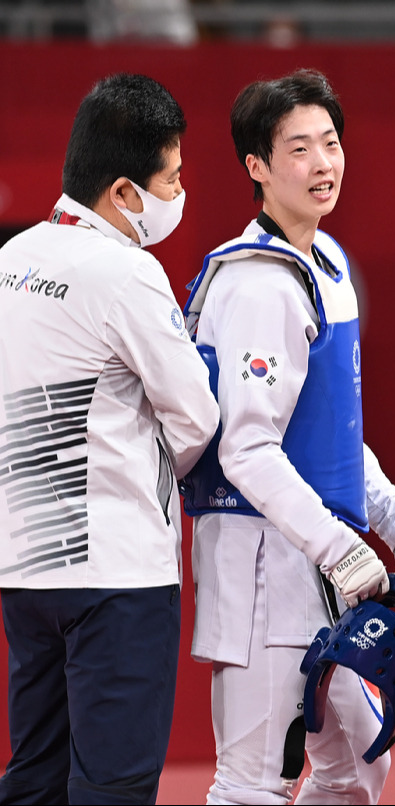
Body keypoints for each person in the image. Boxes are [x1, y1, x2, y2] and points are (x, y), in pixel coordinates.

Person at [181, 68, 395, 805]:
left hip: (324, 567)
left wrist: (394, 517)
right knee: (251, 787)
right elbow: (248, 448)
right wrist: (343, 548)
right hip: (263, 569)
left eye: (331, 143)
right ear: (256, 168)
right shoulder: (259, 283)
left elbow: (329, 431)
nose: (324, 164)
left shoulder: (325, 265)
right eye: (300, 149)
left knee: (359, 767)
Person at [0, 73, 220, 805]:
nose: (181, 191)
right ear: (126, 193)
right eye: (174, 176)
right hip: (118, 575)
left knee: (33, 779)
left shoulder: (8, 264)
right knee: (113, 789)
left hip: (25, 569)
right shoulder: (129, 273)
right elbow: (196, 417)